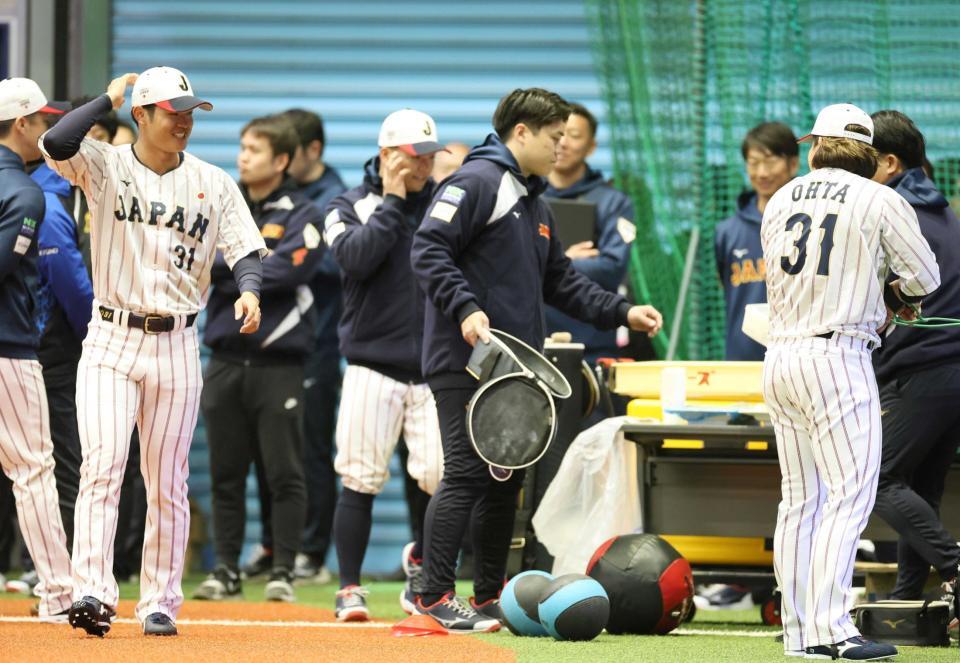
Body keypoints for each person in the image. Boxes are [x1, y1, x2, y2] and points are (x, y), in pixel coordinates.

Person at [410, 88, 663, 633]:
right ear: (520, 133)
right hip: (466, 362)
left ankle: (485, 598)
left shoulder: (533, 201)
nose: (563, 147)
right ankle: (432, 595)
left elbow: (561, 282)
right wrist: (466, 309)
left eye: (567, 136)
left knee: (504, 485)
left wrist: (624, 313)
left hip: (516, 371)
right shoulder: (475, 183)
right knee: (465, 474)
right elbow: (428, 250)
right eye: (554, 137)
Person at [40, 67, 267, 637]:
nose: (186, 119)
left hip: (177, 343)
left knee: (166, 478)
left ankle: (160, 600)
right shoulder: (104, 163)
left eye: (191, 109)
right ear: (141, 115)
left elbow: (246, 250)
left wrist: (249, 291)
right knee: (102, 466)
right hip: (112, 337)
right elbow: (55, 142)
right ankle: (91, 590)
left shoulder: (213, 182)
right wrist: (109, 97)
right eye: (173, 110)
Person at [761, 103, 940, 659]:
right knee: (849, 497)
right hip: (836, 360)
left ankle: (800, 634)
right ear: (867, 152)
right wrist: (895, 298)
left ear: (816, 147)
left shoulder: (780, 198)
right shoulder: (880, 197)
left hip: (780, 355)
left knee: (799, 501)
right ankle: (833, 628)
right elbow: (925, 276)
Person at [323, 109, 446, 621]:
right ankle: (349, 586)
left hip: (434, 367)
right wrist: (393, 202)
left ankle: (423, 566)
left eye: (429, 156)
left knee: (438, 476)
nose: (424, 167)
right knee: (359, 477)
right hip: (371, 364)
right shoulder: (346, 204)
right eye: (415, 157)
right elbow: (354, 259)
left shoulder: (445, 203)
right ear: (388, 154)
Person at [195, 114, 323, 603]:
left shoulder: (304, 213)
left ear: (283, 160)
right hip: (225, 360)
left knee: (285, 473)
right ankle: (225, 569)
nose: (242, 155)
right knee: (227, 473)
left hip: (280, 366)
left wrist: (233, 266)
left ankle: (283, 572)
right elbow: (202, 261)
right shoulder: (225, 205)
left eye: (254, 148)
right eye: (241, 146)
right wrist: (247, 261)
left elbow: (291, 272)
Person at [241, 108, 346, 584]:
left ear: (309, 153)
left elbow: (314, 266)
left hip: (317, 342)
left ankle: (311, 551)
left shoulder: (331, 200)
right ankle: (273, 544)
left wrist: (269, 263)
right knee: (268, 452)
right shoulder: (260, 200)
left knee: (309, 450)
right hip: (261, 346)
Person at [868, 110, 960, 607]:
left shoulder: (895, 213)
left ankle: (955, 565)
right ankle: (909, 604)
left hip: (922, 372)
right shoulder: (944, 211)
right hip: (949, 376)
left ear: (888, 162)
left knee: (876, 479)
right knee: (919, 492)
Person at [0, 76, 74, 623]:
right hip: (9, 348)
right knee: (33, 470)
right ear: (22, 124)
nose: (49, 131)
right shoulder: (27, 192)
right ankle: (58, 594)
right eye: (44, 122)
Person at [544, 103, 635, 365]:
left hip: (594, 348)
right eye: (558, 134)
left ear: (591, 147)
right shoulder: (528, 195)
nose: (563, 143)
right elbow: (515, 266)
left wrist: (550, 263)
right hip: (534, 344)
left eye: (574, 136)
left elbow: (612, 267)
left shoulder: (614, 202)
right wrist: (565, 258)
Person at [715, 122, 799, 361]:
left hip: (794, 362)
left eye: (770, 161)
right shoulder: (727, 232)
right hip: (741, 362)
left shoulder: (810, 225)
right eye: (753, 163)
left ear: (793, 163)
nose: (762, 173)